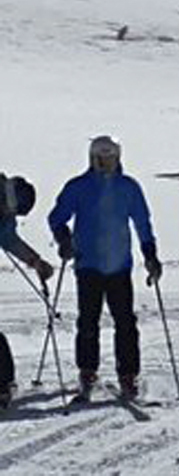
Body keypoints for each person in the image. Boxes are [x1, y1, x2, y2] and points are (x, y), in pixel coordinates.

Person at [48, 136, 159, 403]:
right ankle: (88, 372)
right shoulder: (78, 187)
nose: (106, 163)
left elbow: (142, 222)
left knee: (125, 323)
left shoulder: (128, 187)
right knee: (88, 322)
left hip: (119, 265)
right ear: (92, 159)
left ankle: (128, 375)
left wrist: (150, 254)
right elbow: (57, 217)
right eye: (102, 158)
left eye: (110, 158)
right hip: (88, 264)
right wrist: (63, 238)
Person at [1, 174, 56, 411]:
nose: (8, 214)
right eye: (10, 209)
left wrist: (36, 261)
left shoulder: (5, 216)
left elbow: (9, 239)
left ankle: (3, 385)